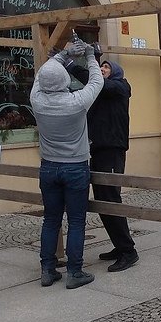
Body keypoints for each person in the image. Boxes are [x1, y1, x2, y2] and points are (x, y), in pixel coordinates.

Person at [31, 41, 103, 289]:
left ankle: (47, 270)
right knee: (76, 221)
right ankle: (74, 272)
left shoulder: (37, 100)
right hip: (75, 167)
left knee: (51, 220)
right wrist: (91, 55)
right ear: (64, 81)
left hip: (49, 167)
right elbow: (96, 82)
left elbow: (43, 75)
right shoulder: (77, 102)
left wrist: (62, 55)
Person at [67, 50, 138, 272]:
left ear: (115, 72)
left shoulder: (120, 87)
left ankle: (128, 251)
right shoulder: (101, 92)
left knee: (110, 199)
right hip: (97, 150)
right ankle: (120, 245)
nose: (102, 70)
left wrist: (72, 65)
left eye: (106, 67)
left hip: (111, 151)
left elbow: (94, 80)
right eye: (101, 67)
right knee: (103, 200)